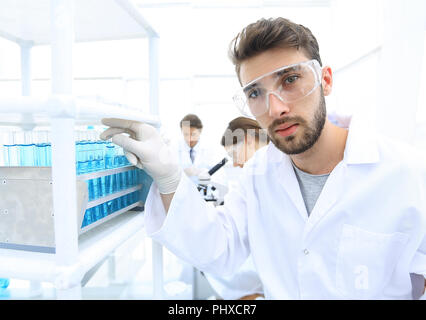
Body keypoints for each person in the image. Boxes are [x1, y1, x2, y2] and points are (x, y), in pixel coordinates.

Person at [100, 17, 426, 299]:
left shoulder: (407, 173)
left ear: (325, 80)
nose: (275, 109)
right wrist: (170, 178)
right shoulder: (258, 173)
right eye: (255, 92)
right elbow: (219, 250)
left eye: (290, 80)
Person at [201, 117, 268, 300]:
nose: (236, 164)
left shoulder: (267, 171)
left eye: (234, 154)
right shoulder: (257, 175)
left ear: (247, 140)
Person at [174, 114, 226, 185]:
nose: (189, 139)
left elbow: (221, 176)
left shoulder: (211, 149)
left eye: (193, 134)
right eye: (186, 134)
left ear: (200, 131)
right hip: (182, 192)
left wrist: (202, 173)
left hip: (204, 192)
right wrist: (182, 173)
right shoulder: (174, 148)